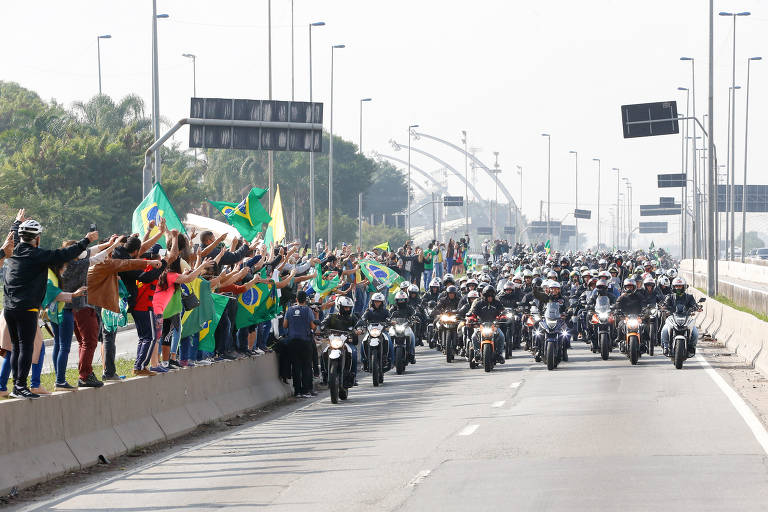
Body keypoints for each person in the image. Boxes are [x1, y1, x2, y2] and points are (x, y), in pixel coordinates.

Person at [3, 211, 98, 399]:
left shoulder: (12, 251)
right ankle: (21, 386)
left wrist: (16, 222)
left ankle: (16, 386)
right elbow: (65, 254)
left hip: (9, 307)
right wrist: (86, 240)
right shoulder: (38, 255)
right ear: (37, 239)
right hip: (27, 308)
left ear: (21, 236)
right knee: (26, 346)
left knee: (16, 346)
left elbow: (13, 235)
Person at [283, 291, 317, 398]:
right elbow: (313, 326)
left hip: (292, 341)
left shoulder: (290, 310)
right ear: (305, 299)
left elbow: (285, 325)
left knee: (296, 366)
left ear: (296, 299)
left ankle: (297, 391)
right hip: (305, 341)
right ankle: (306, 390)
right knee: (306, 366)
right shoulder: (308, 310)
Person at [320, 296, 359, 385]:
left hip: (347, 342)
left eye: (349, 307)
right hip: (334, 343)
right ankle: (324, 375)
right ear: (339, 307)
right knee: (324, 353)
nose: (347, 309)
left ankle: (353, 375)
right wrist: (322, 327)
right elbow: (323, 325)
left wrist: (359, 329)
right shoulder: (331, 317)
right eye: (345, 307)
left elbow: (358, 325)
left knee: (353, 353)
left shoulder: (352, 318)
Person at [660, 277, 700, 357]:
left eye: (680, 286)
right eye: (676, 286)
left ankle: (691, 347)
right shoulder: (670, 296)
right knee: (664, 330)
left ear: (684, 287)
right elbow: (665, 304)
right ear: (673, 287)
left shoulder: (689, 297)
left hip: (686, 317)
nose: (678, 288)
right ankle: (666, 346)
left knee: (695, 332)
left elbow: (694, 305)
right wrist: (663, 307)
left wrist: (697, 308)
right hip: (672, 317)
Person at [466, 285, 505, 363]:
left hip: (494, 325)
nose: (490, 297)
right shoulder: (479, 304)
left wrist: (503, 317)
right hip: (481, 325)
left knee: (501, 336)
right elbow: (473, 313)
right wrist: (471, 319)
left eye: (491, 296)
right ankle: (477, 352)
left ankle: (499, 354)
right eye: (488, 296)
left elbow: (502, 312)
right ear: (484, 296)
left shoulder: (497, 303)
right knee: (474, 336)